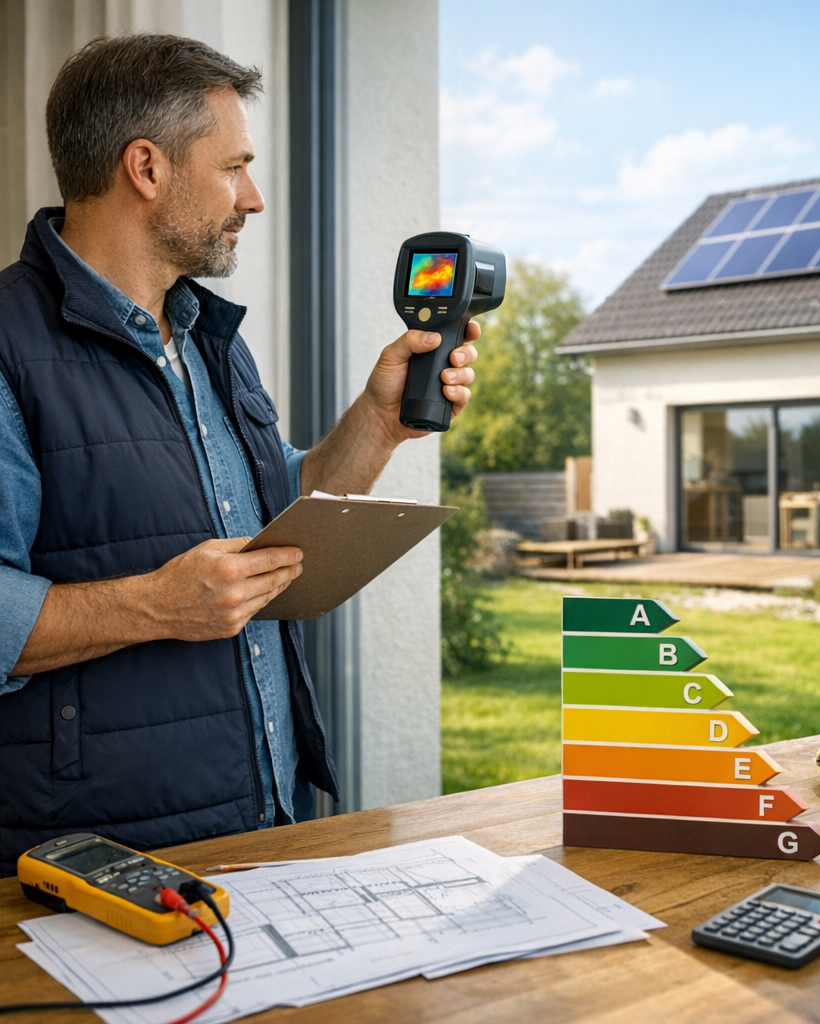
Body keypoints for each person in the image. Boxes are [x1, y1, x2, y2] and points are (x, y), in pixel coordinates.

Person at [0, 33, 479, 876]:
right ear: (146, 168)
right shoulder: (6, 343)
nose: (252, 198)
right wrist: (154, 605)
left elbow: (258, 525)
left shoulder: (203, 333)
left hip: (260, 826)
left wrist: (376, 424)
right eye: (233, 166)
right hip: (95, 865)